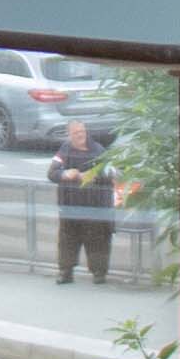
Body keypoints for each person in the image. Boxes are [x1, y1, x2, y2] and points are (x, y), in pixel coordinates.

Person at [49, 112, 124, 286]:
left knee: (98, 239)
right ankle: (65, 272)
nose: (80, 135)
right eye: (76, 133)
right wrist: (66, 174)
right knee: (67, 239)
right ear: (69, 134)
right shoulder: (64, 150)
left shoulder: (98, 150)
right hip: (70, 205)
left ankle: (99, 273)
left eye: (82, 131)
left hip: (95, 205)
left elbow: (112, 173)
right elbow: (52, 173)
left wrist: (90, 176)